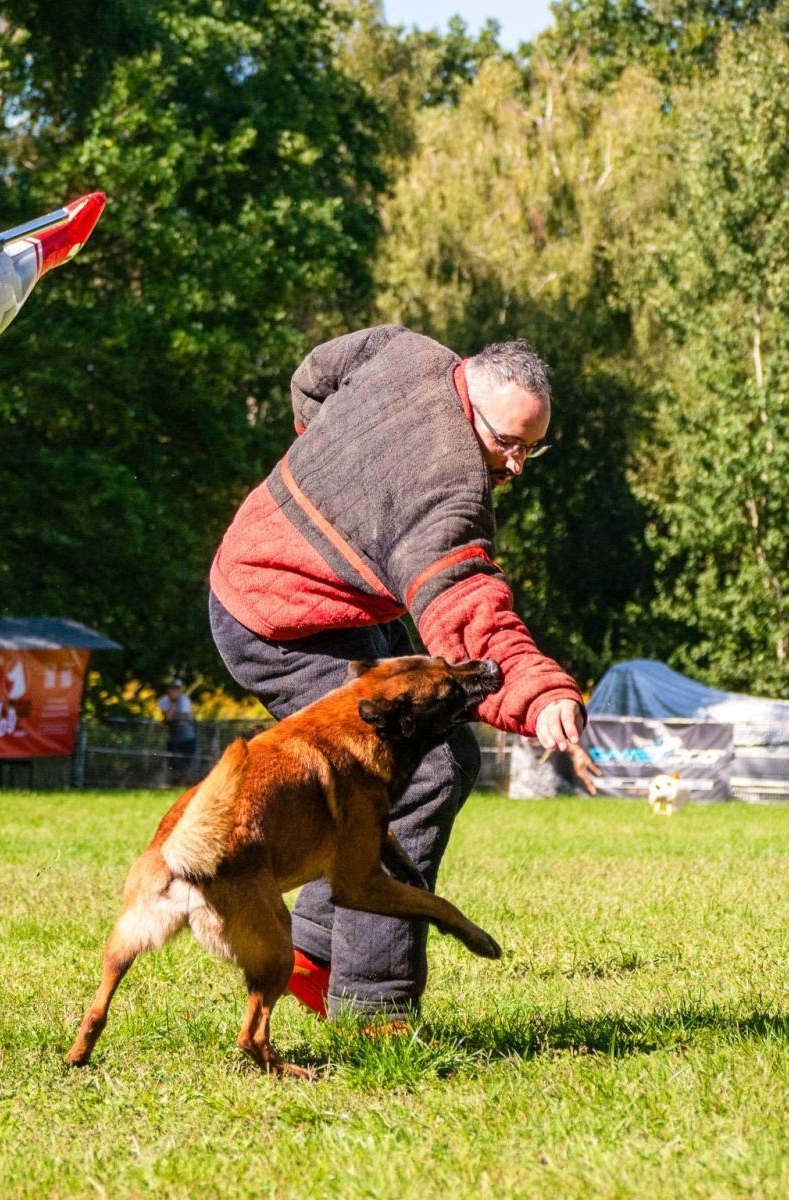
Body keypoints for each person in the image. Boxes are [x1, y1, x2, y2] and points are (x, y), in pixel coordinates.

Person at [208, 324, 586, 1021]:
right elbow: (471, 616)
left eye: (532, 448)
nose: (516, 466)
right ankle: (371, 1009)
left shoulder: (406, 350)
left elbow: (314, 374)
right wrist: (541, 695)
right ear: (472, 392)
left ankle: (316, 945)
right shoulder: (447, 487)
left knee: (453, 757)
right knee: (427, 769)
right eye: (508, 443)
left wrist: (331, 465)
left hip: (310, 595)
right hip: (275, 621)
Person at [157, 678, 197, 787]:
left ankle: (184, 783)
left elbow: (184, 717)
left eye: (177, 688)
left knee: (186, 761)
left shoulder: (185, 700)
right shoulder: (164, 701)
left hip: (186, 735)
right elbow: (169, 718)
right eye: (172, 688)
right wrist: (173, 705)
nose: (174, 691)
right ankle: (174, 782)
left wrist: (169, 719)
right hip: (173, 736)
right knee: (172, 760)